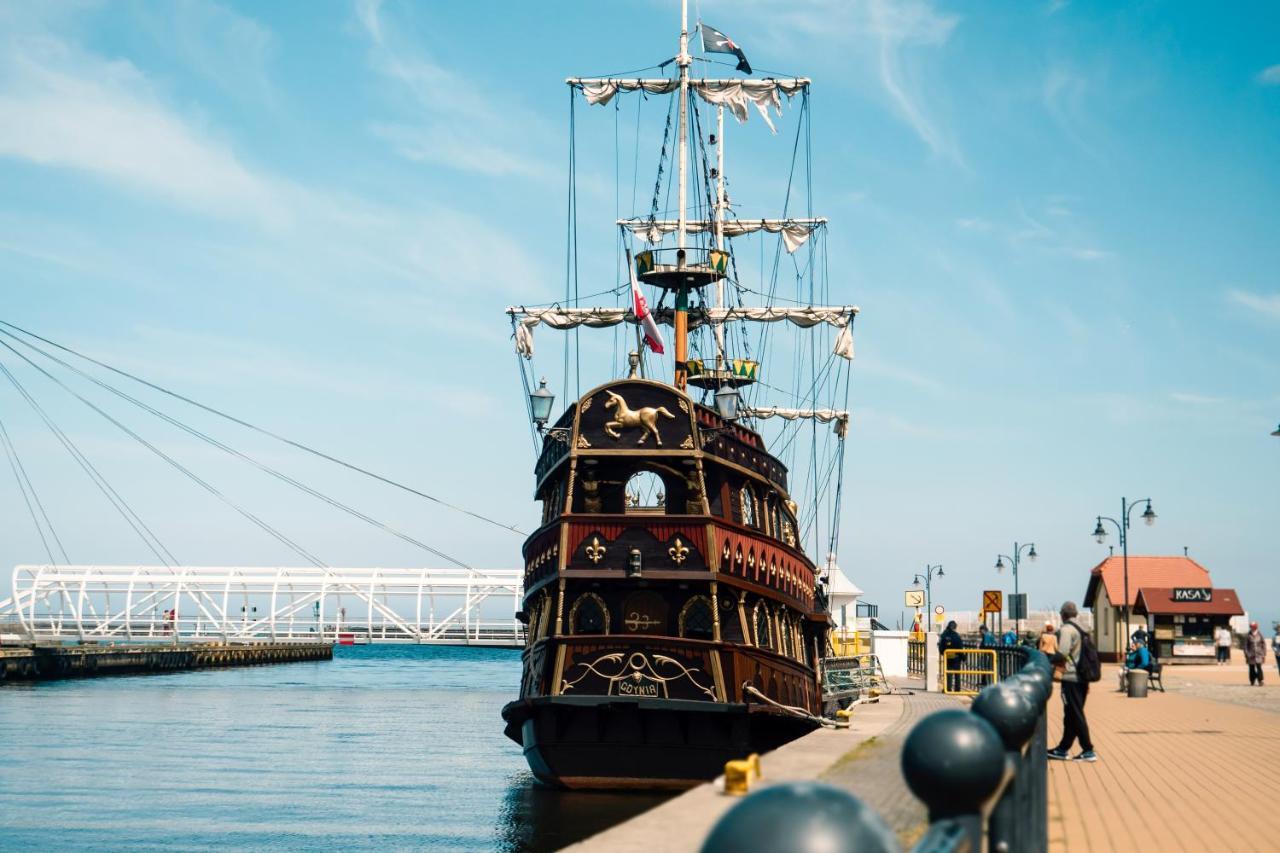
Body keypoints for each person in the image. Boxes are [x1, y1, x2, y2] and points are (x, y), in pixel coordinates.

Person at [1048, 601, 1096, 762]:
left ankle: (1088, 749)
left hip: (1071, 677)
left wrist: (1049, 660)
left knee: (1075, 713)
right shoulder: (1084, 629)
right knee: (1071, 714)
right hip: (1083, 677)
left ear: (1063, 615)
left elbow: (1062, 652)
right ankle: (1063, 748)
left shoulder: (1067, 630)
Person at [938, 620, 964, 692]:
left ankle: (948, 688)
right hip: (956, 657)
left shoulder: (944, 635)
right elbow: (960, 647)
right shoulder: (957, 636)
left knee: (948, 673)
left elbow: (940, 646)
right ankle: (957, 689)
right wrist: (963, 657)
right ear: (955, 627)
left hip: (948, 656)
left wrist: (942, 653)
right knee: (957, 674)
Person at [1244, 622, 1267, 686]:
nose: (1253, 628)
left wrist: (1264, 653)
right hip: (1250, 655)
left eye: (1254, 626)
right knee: (1251, 668)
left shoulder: (1260, 634)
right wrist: (1247, 653)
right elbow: (1245, 645)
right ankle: (1252, 680)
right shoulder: (1248, 635)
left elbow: (1263, 644)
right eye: (1251, 626)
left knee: (1259, 667)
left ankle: (1260, 680)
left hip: (1259, 654)